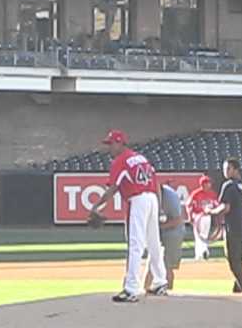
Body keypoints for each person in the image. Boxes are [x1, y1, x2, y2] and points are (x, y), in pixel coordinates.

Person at [90, 129, 167, 303]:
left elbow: (113, 188)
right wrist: (160, 208)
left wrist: (96, 206)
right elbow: (156, 183)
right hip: (152, 198)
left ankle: (131, 288)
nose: (110, 147)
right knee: (154, 242)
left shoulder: (121, 161)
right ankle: (160, 282)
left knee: (135, 243)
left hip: (138, 199)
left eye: (111, 144)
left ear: (120, 143)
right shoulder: (142, 159)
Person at [205, 158, 242, 293]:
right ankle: (237, 293)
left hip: (233, 230)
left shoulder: (229, 185)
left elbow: (225, 208)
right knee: (239, 263)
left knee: (234, 265)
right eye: (224, 169)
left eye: (228, 168)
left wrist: (210, 211)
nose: (225, 171)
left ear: (235, 169)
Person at [144, 184, 186, 291]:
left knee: (167, 265)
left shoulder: (171, 197)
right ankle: (145, 290)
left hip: (174, 231)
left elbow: (178, 220)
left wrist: (158, 227)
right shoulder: (147, 196)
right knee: (151, 261)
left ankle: (169, 293)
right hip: (159, 229)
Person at [186, 175, 219, 260]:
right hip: (197, 216)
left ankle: (202, 252)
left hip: (207, 217)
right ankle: (201, 253)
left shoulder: (212, 194)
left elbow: (217, 205)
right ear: (203, 184)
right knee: (198, 235)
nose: (210, 184)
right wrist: (190, 216)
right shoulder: (196, 193)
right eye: (208, 183)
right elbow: (188, 205)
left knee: (204, 235)